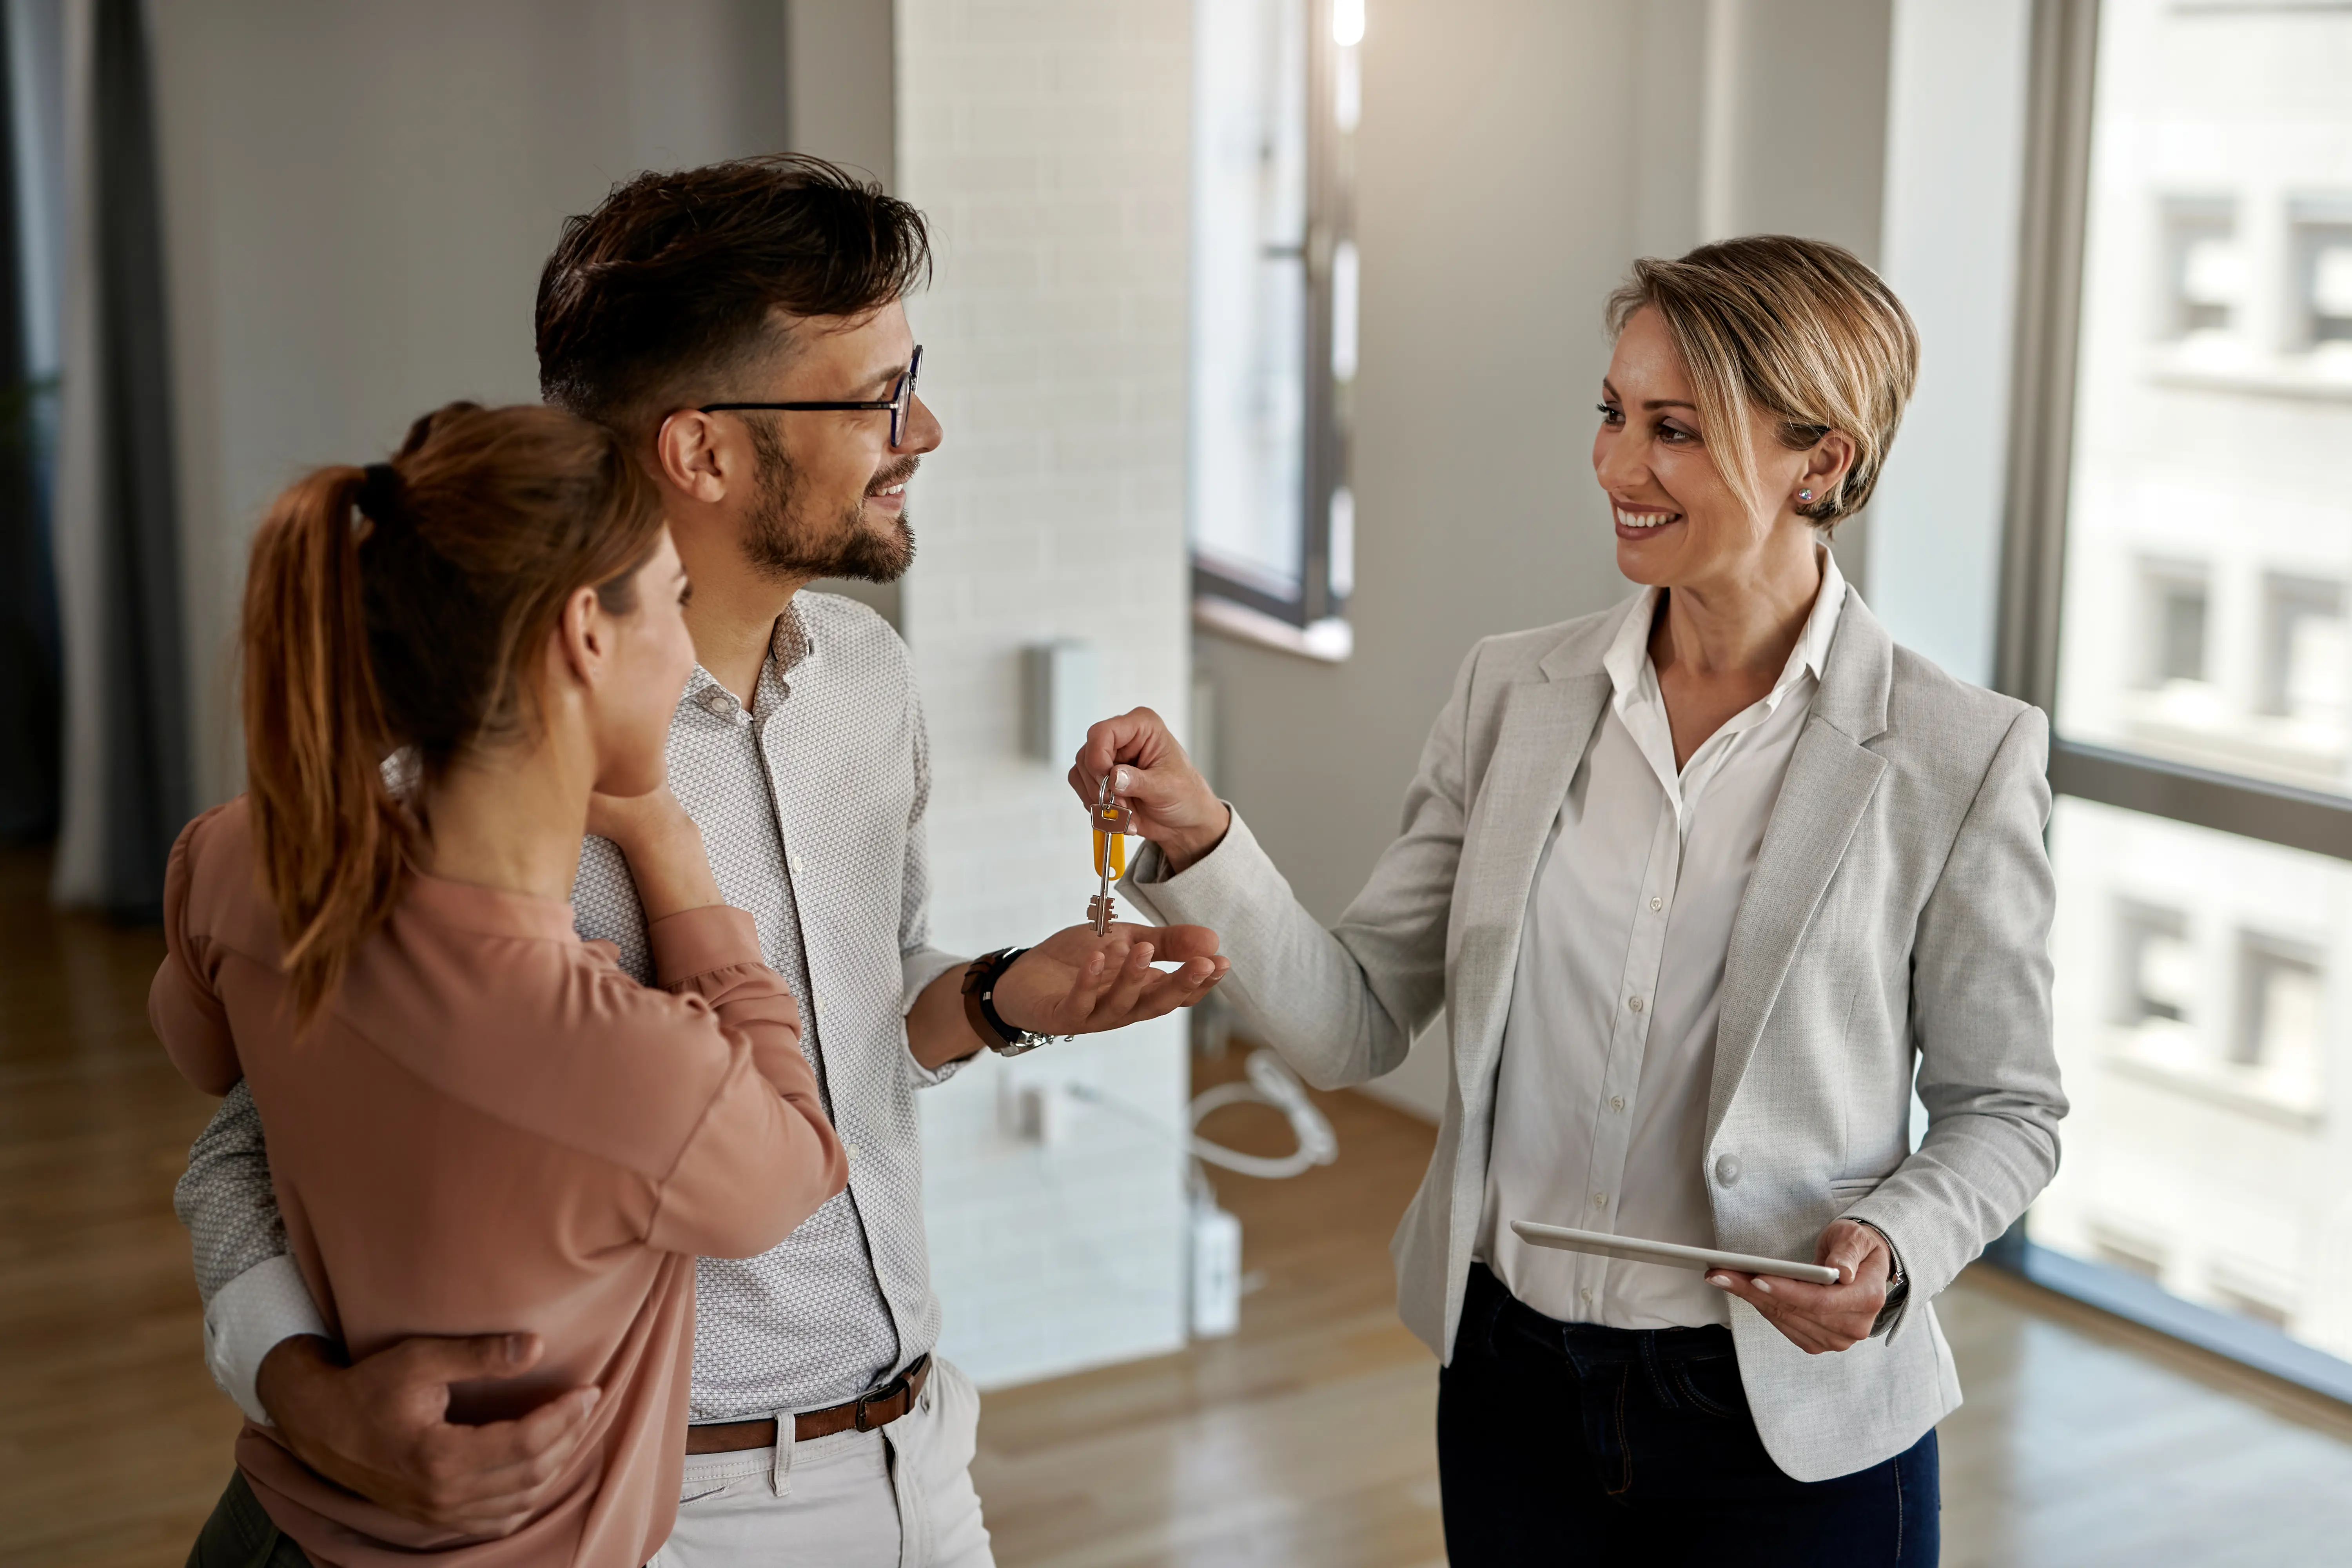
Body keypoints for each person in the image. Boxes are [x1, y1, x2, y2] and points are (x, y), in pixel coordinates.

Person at [171, 156, 1229, 1568]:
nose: (928, 428)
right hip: (656, 1507)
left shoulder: (867, 679)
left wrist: (992, 1000)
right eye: (878, 397)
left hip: (919, 1453)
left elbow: (842, 1036)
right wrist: (296, 1387)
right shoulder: (478, 802)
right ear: (705, 452)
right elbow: (249, 1143)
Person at [1080, 237, 2067, 1565]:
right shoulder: (1512, 696)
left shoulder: (1960, 752)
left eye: (1677, 430)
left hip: (1785, 1422)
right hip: (1512, 1393)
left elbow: (2009, 1107)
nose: (1615, 467)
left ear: (1820, 461)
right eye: (1613, 413)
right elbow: (1356, 1021)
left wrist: (1895, 1245)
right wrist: (1199, 836)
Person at [160, 403, 851, 1566]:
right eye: (673, 599)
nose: (687, 648)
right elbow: (794, 1172)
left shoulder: (236, 857)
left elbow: (204, 1058)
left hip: (264, 1540)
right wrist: (672, 851)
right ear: (588, 631)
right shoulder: (631, 1063)